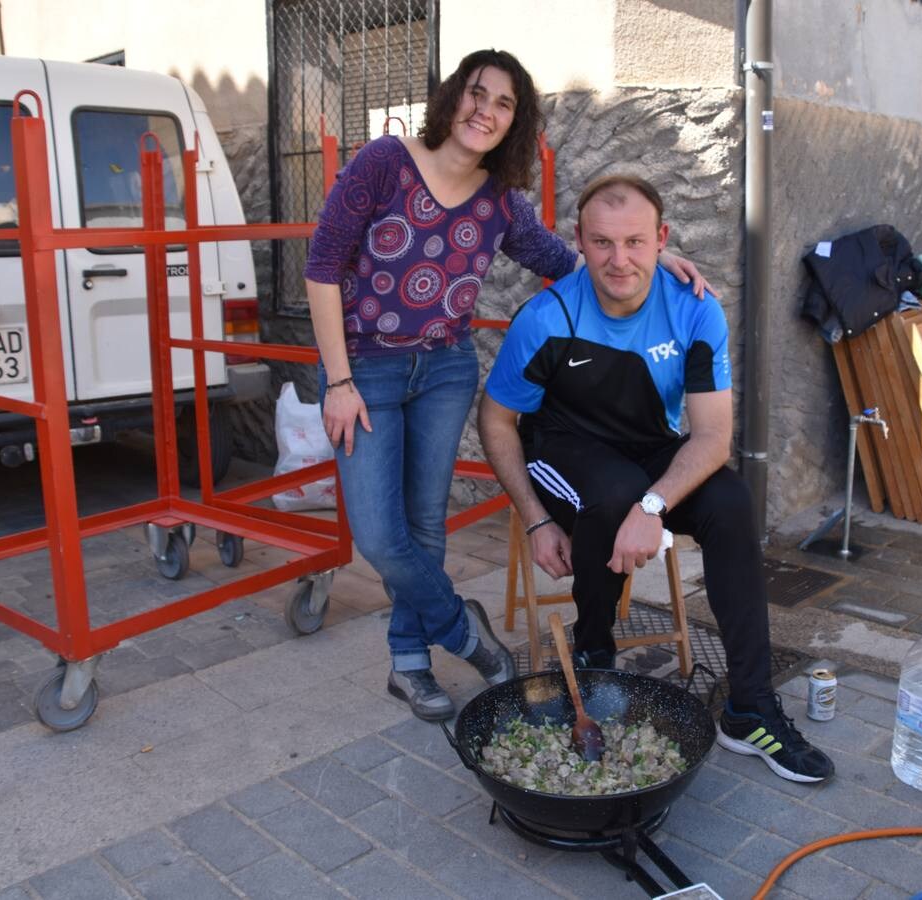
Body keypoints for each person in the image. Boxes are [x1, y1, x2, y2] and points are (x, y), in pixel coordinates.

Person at [303, 50, 707, 722]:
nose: (484, 112)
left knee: (425, 527)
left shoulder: (497, 199)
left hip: (444, 369)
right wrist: (338, 379)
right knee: (377, 534)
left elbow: (566, 259)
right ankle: (465, 632)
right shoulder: (384, 162)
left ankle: (410, 664)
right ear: (452, 98)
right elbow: (321, 266)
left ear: (514, 122)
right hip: (363, 368)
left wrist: (650, 255)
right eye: (476, 93)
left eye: (503, 104)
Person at [478, 175, 835, 784]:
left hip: (650, 450)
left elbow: (712, 437)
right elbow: (496, 421)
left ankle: (749, 705)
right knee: (614, 493)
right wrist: (536, 518)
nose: (621, 260)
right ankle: (594, 655)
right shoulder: (546, 318)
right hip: (563, 450)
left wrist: (656, 503)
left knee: (730, 501)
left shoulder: (695, 308)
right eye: (603, 243)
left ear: (662, 238)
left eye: (636, 242)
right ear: (580, 243)